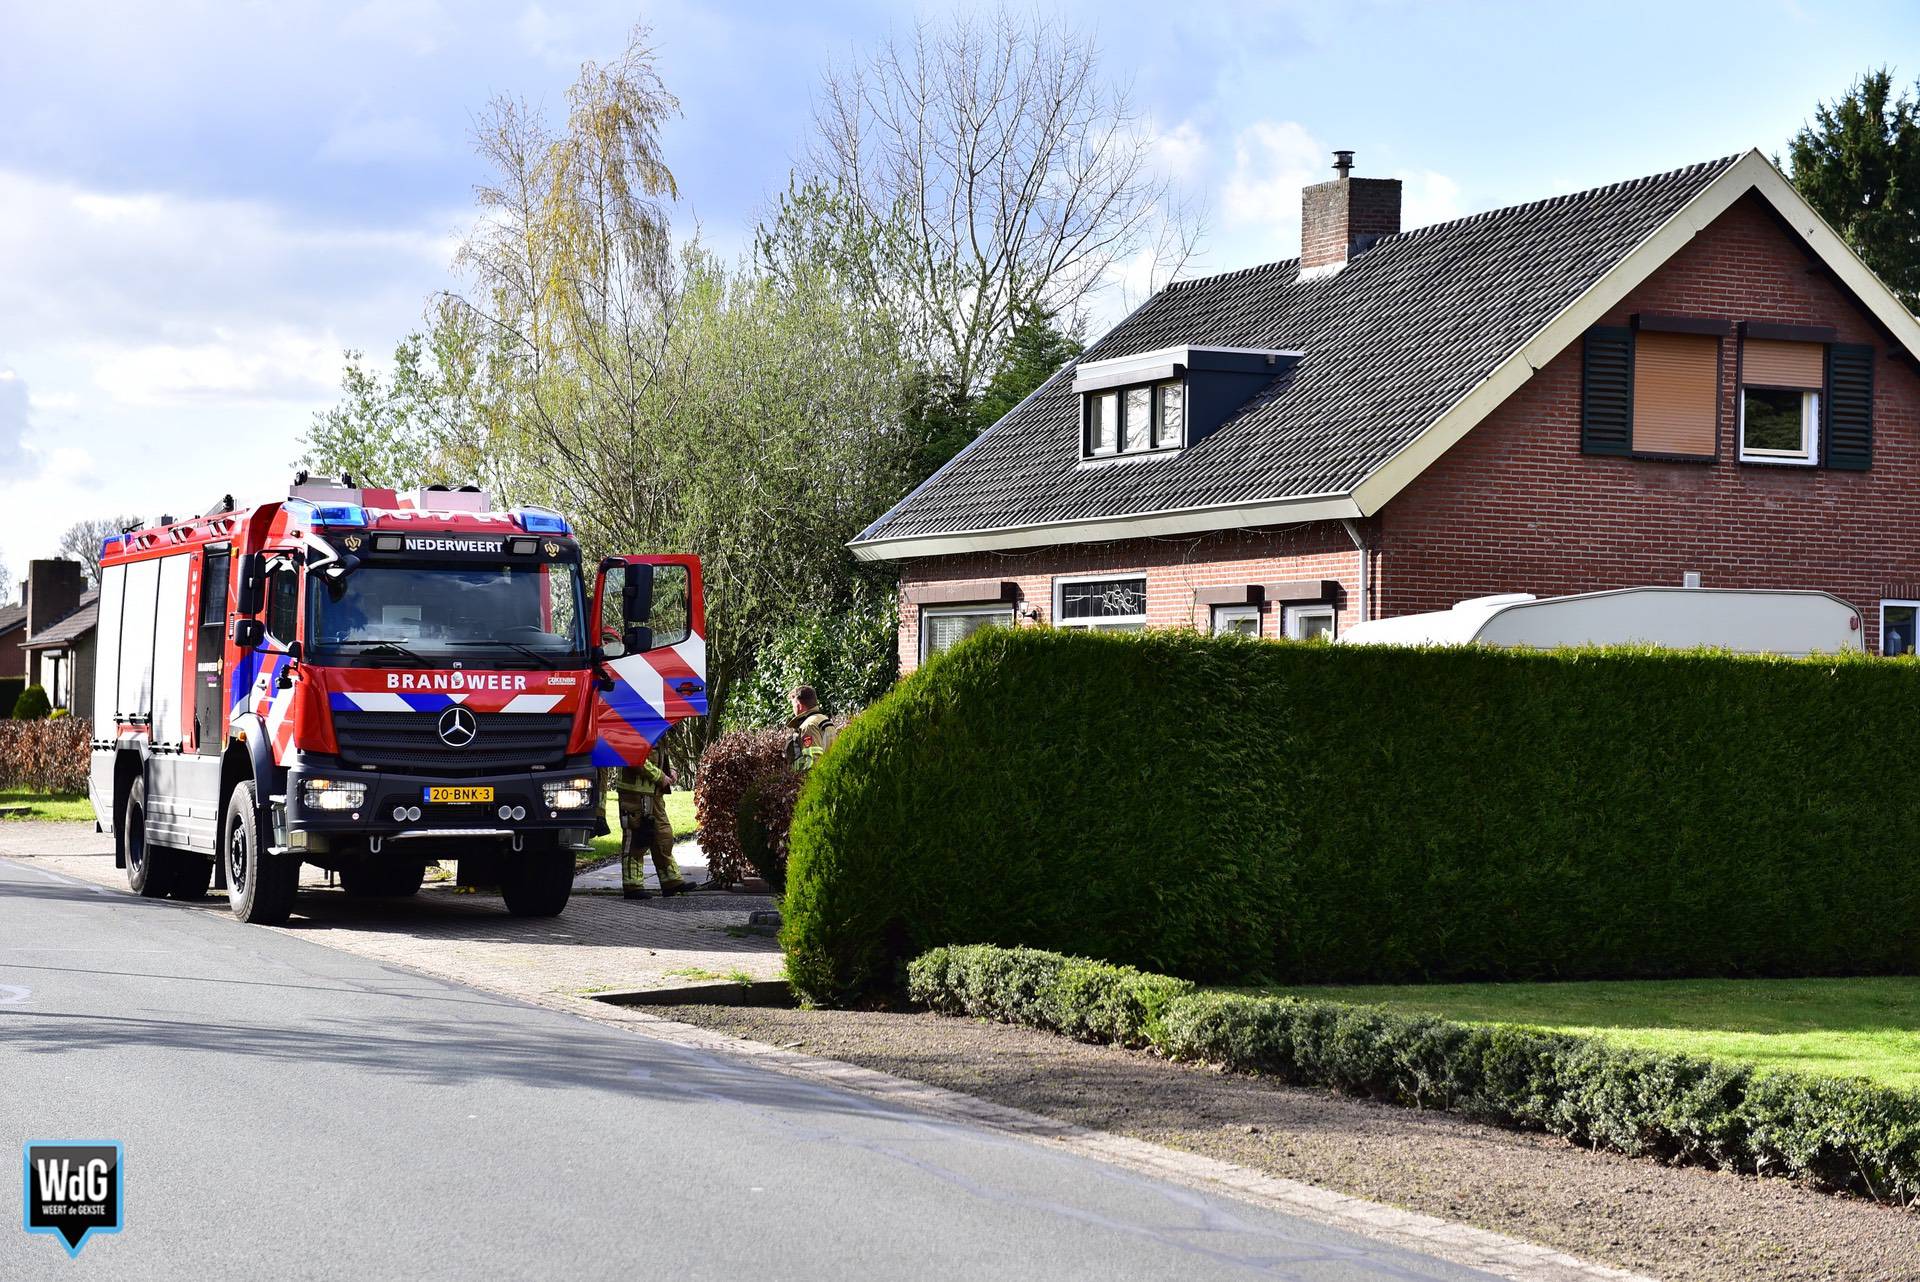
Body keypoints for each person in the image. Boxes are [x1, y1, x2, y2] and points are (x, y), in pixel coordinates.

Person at [614, 757, 692, 899]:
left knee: (664, 836)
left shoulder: (658, 740)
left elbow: (662, 754)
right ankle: (633, 887)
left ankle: (671, 882)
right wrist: (660, 776)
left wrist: (671, 769)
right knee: (637, 839)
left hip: (655, 794)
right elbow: (635, 759)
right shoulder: (632, 740)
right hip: (633, 794)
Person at [786, 684, 835, 773]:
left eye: (793, 705)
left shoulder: (808, 726)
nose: (793, 708)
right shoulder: (823, 719)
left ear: (799, 705)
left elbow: (813, 760)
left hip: (820, 777)